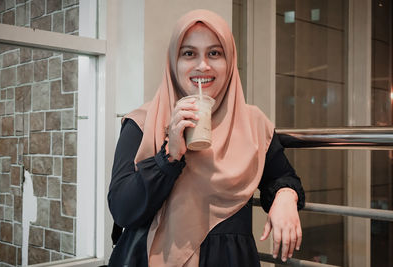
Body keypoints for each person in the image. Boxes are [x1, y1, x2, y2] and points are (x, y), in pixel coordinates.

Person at [108, 9, 305, 267]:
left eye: (215, 53)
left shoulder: (252, 123)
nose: (203, 65)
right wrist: (169, 156)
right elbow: (123, 210)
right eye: (189, 53)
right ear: (173, 62)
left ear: (230, 61)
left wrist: (285, 197)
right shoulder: (142, 123)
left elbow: (283, 177)